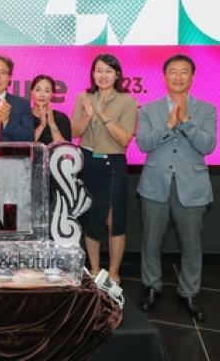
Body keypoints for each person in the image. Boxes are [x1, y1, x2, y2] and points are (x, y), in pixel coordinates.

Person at [137, 54, 216, 321]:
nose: (178, 77)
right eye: (172, 71)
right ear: (164, 76)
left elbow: (208, 145)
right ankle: (151, 286)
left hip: (192, 187)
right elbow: (143, 143)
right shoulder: (149, 109)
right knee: (151, 241)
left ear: (192, 77)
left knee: (191, 244)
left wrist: (186, 122)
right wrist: (169, 124)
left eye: (184, 72)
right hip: (154, 184)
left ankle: (189, 292)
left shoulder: (207, 109)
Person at [71, 54, 137, 286]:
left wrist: (105, 117)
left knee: (113, 220)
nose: (103, 75)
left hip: (114, 164)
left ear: (117, 74)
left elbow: (124, 139)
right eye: (99, 70)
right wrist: (87, 117)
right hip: (88, 162)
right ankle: (94, 269)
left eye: (108, 71)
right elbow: (75, 132)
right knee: (92, 218)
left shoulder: (127, 101)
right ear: (93, 73)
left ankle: (114, 272)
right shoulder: (84, 97)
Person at [31, 74, 71, 143]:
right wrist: (42, 126)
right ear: (31, 92)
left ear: (52, 95)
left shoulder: (61, 118)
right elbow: (23, 145)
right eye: (38, 90)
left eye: (46, 91)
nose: (42, 95)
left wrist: (52, 124)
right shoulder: (24, 116)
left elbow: (64, 148)